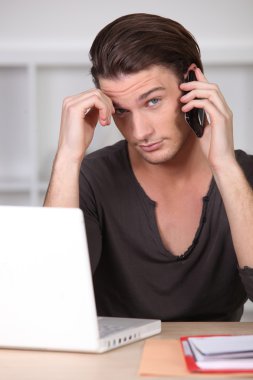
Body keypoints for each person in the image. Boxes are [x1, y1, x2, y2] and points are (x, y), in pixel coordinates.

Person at [44, 13, 253, 321]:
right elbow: (51, 297)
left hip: (213, 368)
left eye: (153, 101)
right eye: (121, 111)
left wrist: (224, 166)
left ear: (192, 83)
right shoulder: (90, 178)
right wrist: (67, 156)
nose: (139, 131)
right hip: (115, 367)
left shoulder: (242, 177)